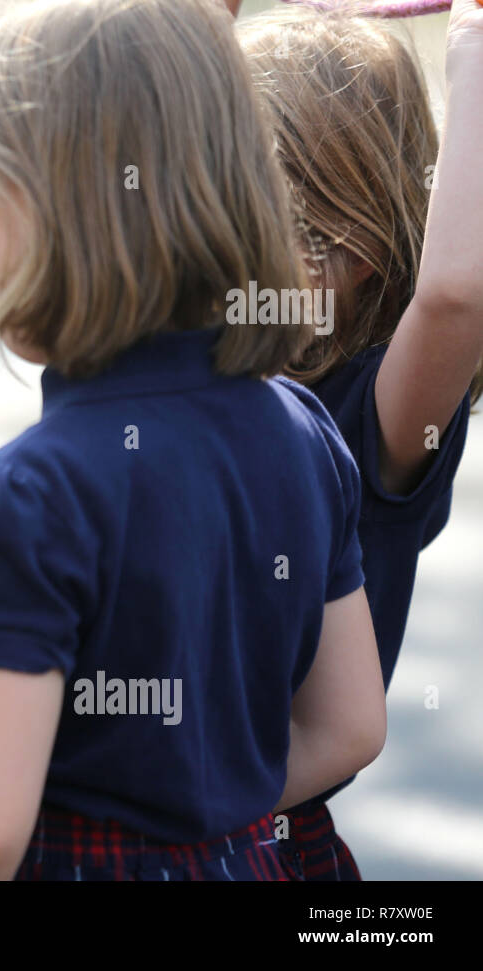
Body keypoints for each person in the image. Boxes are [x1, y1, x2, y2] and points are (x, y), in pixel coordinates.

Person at [0, 0, 386, 881]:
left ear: (38, 209)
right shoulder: (303, 429)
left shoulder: (31, 493)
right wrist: (199, 829)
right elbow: (351, 725)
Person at [239, 0, 483, 880]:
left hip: (260, 845)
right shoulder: (187, 371)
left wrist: (472, 37)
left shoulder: (376, 412)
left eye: (286, 224)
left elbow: (458, 289)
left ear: (363, 242)